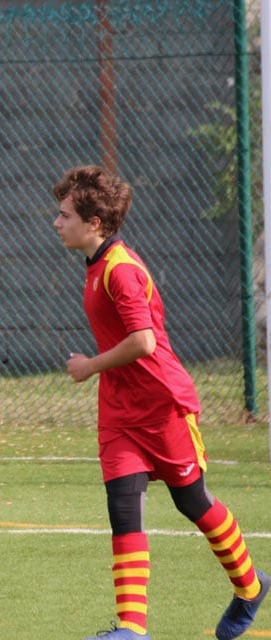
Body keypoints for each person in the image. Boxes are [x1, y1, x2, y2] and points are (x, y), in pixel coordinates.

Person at [51, 165, 267, 640]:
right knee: (123, 507)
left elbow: (144, 341)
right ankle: (132, 628)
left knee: (192, 501)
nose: (56, 222)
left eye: (65, 215)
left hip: (162, 405)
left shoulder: (121, 270)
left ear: (94, 223)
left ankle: (251, 586)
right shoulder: (95, 266)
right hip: (120, 411)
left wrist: (90, 366)